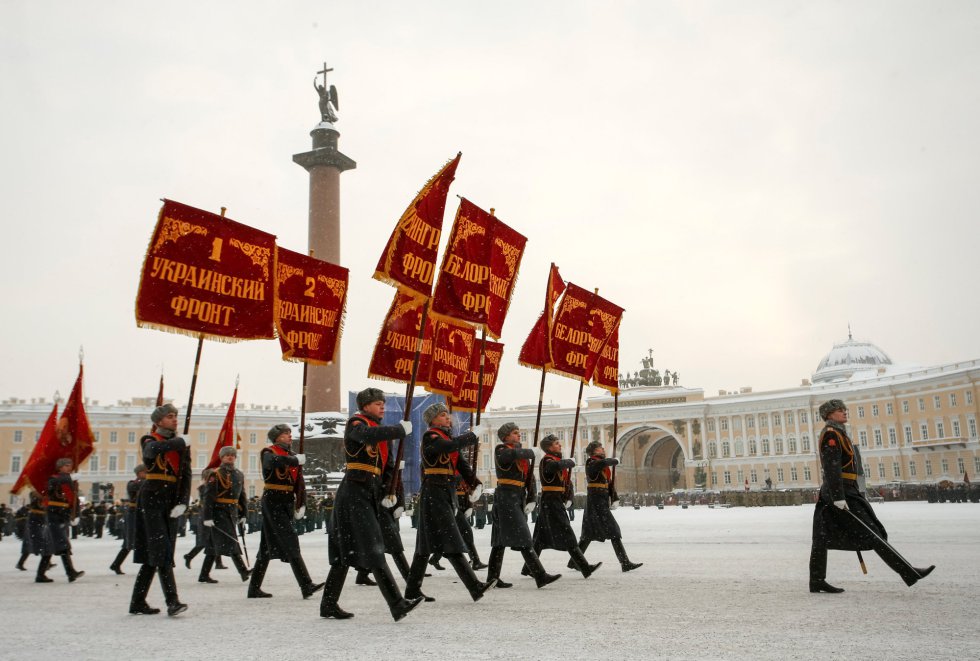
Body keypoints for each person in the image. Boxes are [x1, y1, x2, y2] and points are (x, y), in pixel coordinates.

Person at [809, 399, 934, 593]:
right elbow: (831, 467)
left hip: (845, 490)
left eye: (844, 408)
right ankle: (908, 572)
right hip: (840, 493)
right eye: (839, 409)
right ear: (829, 415)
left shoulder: (839, 433)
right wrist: (838, 496)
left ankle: (816, 580)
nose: (844, 411)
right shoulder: (831, 435)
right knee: (871, 532)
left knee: (822, 536)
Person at [321, 389, 423, 620]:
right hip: (354, 492)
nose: (383, 407)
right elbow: (366, 435)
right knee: (374, 547)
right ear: (365, 406)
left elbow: (387, 467)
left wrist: (389, 491)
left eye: (383, 403)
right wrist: (398, 430)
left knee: (344, 553)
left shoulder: (380, 435)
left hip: (369, 492)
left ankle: (328, 604)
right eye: (378, 403)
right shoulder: (356, 423)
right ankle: (396, 603)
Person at [401, 402, 495, 605]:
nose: (447, 418)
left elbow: (461, 464)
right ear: (433, 420)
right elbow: (449, 447)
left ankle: (411, 590)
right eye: (443, 415)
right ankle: (474, 586)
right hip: (434, 491)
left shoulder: (447, 438)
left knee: (425, 547)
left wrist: (475, 483)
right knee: (451, 540)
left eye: (447, 415)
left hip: (445, 492)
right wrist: (471, 436)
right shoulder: (431, 437)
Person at [129, 403, 191, 616]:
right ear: (157, 422)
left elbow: (186, 475)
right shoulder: (150, 439)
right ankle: (172, 602)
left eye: (176, 416)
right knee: (162, 551)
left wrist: (183, 501)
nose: (175, 419)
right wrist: (179, 442)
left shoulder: (180, 445)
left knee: (153, 556)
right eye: (170, 416)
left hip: (170, 499)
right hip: (152, 498)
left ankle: (137, 602)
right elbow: (151, 451)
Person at [248, 425, 323, 600]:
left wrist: (300, 502)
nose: (289, 436)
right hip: (273, 499)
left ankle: (254, 588)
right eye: (285, 434)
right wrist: (294, 460)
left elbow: (299, 483)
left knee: (266, 548)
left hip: (286, 501)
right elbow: (272, 462)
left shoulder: (292, 455)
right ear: (276, 437)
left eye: (289, 433)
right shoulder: (269, 452)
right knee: (290, 540)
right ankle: (306, 585)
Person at [486, 422, 561, 589]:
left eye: (518, 432)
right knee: (523, 537)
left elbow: (530, 479)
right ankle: (540, 576)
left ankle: (492, 578)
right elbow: (510, 455)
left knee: (500, 541)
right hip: (506, 496)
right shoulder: (501, 450)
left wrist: (532, 498)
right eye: (514, 433)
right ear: (505, 437)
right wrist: (529, 452)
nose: (518, 435)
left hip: (516, 497)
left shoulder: (522, 456)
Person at [524, 434, 601, 579]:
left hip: (554, 500)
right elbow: (555, 466)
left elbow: (565, 483)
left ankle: (529, 568)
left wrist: (568, 497)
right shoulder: (547, 460)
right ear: (549, 447)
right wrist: (569, 462)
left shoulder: (556, 460)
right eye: (557, 443)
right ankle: (585, 568)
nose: (560, 445)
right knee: (568, 533)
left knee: (540, 538)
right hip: (550, 501)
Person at [573, 441, 642, 572]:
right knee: (613, 531)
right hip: (595, 500)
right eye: (600, 448)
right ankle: (625, 562)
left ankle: (574, 561)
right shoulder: (591, 462)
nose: (603, 449)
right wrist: (613, 460)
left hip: (600, 500)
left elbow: (609, 484)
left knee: (588, 534)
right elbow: (602, 463)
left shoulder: (603, 466)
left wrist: (614, 498)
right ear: (593, 452)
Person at [200, 446, 250, 583]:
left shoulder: (239, 474)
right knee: (232, 540)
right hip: (219, 512)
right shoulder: (215, 474)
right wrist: (208, 516)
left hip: (232, 512)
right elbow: (208, 497)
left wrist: (243, 514)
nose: (230, 457)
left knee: (212, 544)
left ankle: (203, 574)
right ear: (221, 457)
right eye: (227, 455)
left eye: (232, 455)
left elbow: (242, 496)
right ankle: (243, 571)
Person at [36, 458, 84, 583]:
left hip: (63, 515)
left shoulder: (69, 482)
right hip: (54, 514)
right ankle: (70, 572)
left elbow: (74, 500)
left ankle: (40, 574)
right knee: (62, 544)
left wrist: (76, 514)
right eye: (67, 465)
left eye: (71, 465)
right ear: (60, 467)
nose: (70, 467)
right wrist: (70, 478)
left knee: (53, 544)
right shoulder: (54, 479)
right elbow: (53, 485)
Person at [110, 464, 147, 575]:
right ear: (139, 473)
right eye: (145, 472)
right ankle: (116, 564)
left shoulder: (145, 483)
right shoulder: (132, 484)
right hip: (133, 515)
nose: (147, 474)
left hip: (141, 514)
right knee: (130, 542)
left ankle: (116, 564)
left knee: (138, 542)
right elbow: (141, 485)